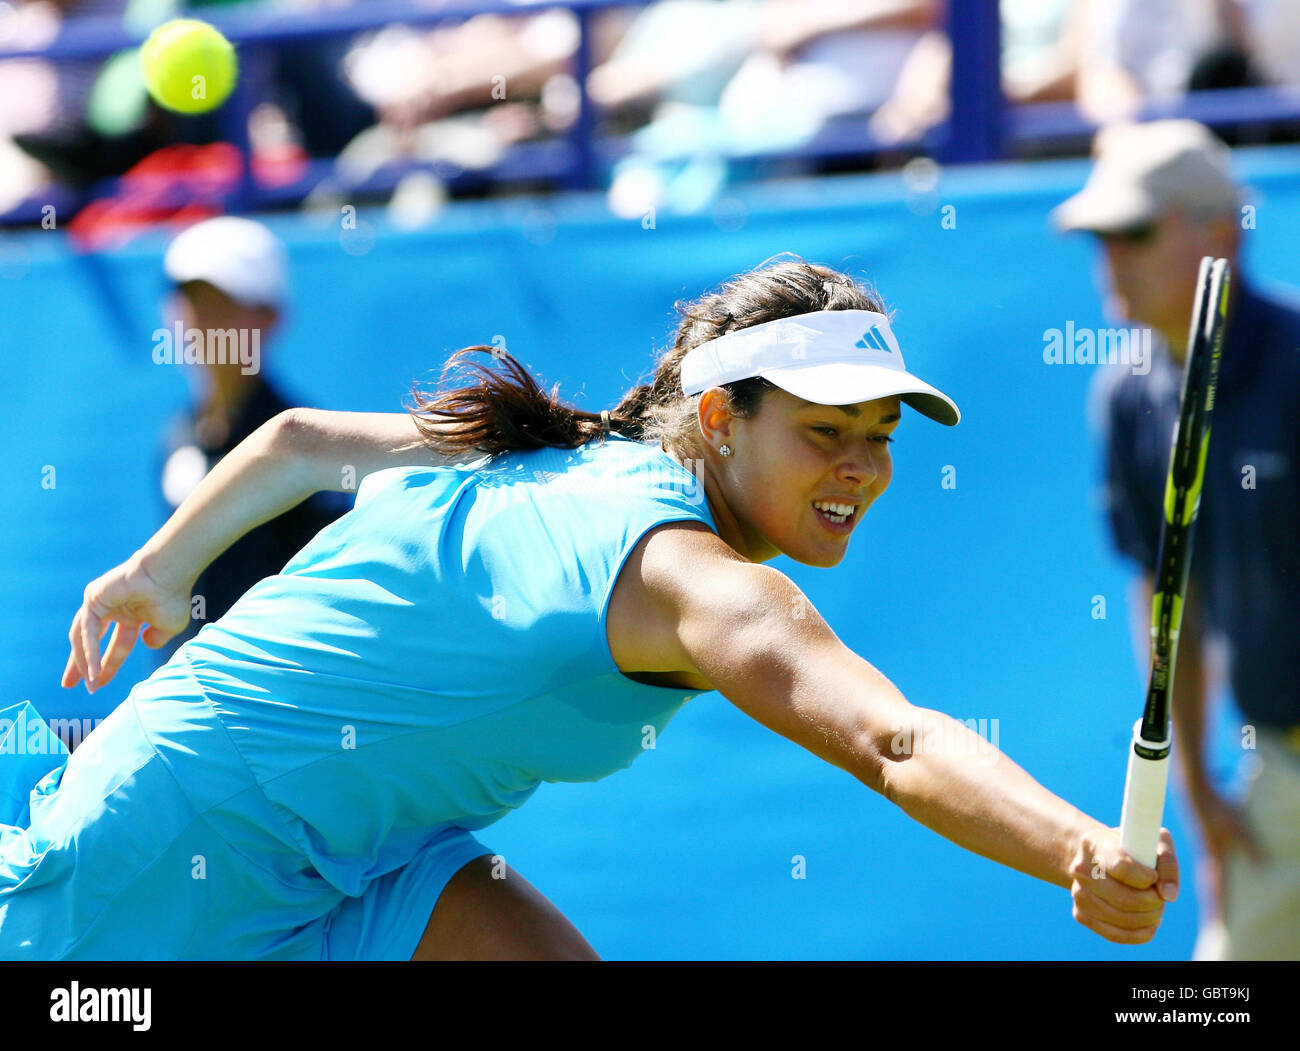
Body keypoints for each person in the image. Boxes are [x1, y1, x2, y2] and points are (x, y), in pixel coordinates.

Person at [2, 260, 1178, 960]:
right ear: (719, 420)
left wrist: (158, 568)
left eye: (877, 439)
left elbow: (298, 442)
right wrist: (1076, 845)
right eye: (824, 432)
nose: (859, 470)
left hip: (361, 856)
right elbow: (893, 738)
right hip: (172, 829)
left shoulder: (557, 443)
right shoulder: (698, 583)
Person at [1054, 120, 1300, 961]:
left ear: (1220, 235)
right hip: (1280, 776)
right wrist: (1196, 788)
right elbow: (1169, 605)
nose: (1110, 258)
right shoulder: (1125, 398)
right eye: (1100, 238)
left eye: (1134, 232)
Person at [156, 216, 348, 663]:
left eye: (224, 303)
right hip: (182, 692)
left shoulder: (307, 445)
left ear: (270, 317)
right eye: (190, 300)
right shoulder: (176, 435)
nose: (202, 320)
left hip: (273, 696)